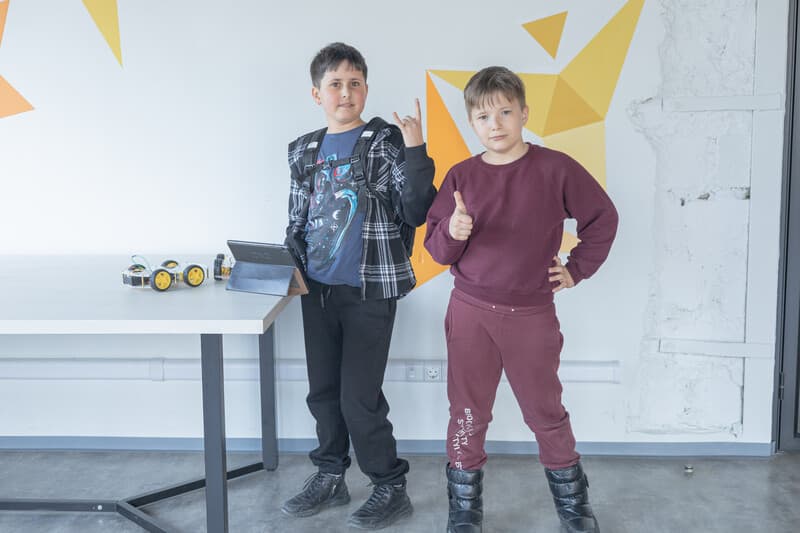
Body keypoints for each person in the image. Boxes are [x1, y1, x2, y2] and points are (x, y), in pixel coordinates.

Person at [424, 66, 618, 533]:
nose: (496, 124)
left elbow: (602, 217)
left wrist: (575, 269)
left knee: (545, 411)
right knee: (467, 412)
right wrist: (452, 232)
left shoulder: (555, 168)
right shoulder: (461, 176)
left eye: (506, 112)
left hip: (531, 315)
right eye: (484, 116)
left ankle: (574, 507)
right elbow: (435, 248)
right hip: (471, 313)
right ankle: (464, 511)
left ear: (524, 113)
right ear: (472, 123)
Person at [282, 42, 436, 530]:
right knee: (323, 393)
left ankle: (389, 485)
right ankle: (330, 476)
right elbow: (296, 220)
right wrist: (285, 265)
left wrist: (416, 152)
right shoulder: (303, 149)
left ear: (366, 89)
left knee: (359, 398)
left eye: (354, 83)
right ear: (316, 94)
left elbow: (415, 211)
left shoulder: (384, 140)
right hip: (318, 291)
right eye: (334, 84)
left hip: (370, 290)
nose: (345, 92)